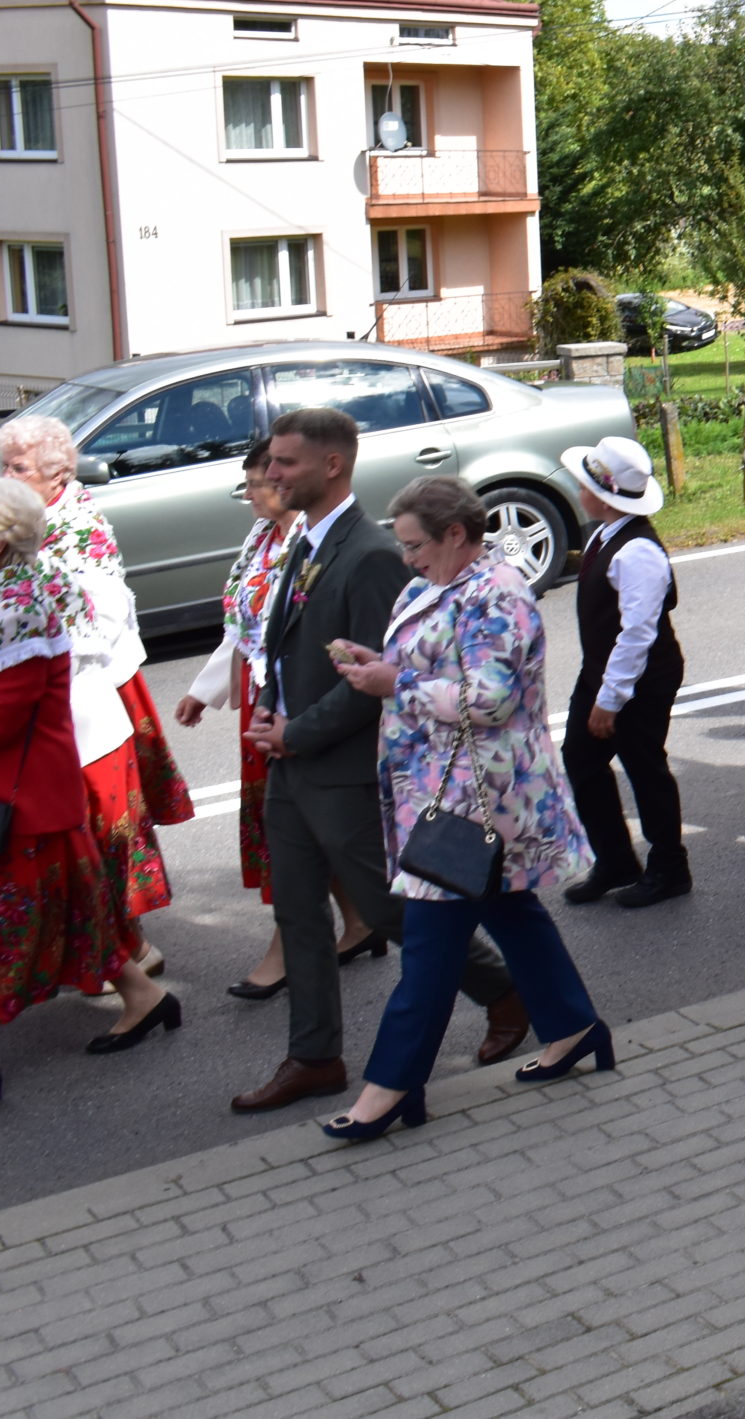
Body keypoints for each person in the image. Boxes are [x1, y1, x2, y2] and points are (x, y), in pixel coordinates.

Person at [231, 407, 526, 1115]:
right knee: (298, 913)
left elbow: (373, 680)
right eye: (271, 462)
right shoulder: (304, 542)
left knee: (389, 910)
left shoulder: (366, 553)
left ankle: (505, 989)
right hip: (291, 764)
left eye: (285, 462)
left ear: (332, 464)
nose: (272, 473)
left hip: (343, 770)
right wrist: (269, 709)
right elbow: (283, 646)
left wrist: (298, 732)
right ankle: (315, 1056)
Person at [318, 477, 610, 1141]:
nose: (407, 557)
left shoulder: (497, 592)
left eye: (415, 544)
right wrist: (379, 664)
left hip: (474, 800)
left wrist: (395, 684)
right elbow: (429, 664)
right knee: (511, 912)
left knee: (428, 946)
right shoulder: (436, 583)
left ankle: (392, 1086)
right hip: (448, 794)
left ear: (456, 534)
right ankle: (574, 1026)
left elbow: (490, 699)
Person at [171, 442, 377, 999]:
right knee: (291, 819)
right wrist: (204, 690)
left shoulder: (310, 545)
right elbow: (243, 625)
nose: (250, 496)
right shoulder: (262, 538)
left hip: (295, 697)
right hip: (260, 690)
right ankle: (360, 920)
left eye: (256, 484)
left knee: (293, 822)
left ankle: (291, 947)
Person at [0, 415, 193, 980]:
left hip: (86, 696)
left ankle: (127, 956)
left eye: (18, 467)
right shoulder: (23, 530)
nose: (6, 476)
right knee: (76, 839)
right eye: (3, 465)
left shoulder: (77, 528)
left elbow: (103, 620)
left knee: (99, 831)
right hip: (65, 701)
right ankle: (115, 960)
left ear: (57, 474)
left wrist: (48, 661)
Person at [0, 479, 176, 1078]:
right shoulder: (5, 592)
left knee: (15, 919)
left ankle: (142, 995)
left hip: (24, 796)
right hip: (29, 794)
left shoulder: (16, 605)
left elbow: (3, 715)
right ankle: (145, 996)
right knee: (74, 909)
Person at [559, 436, 690, 908]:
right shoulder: (605, 534)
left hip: (640, 678)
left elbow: (637, 634)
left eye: (585, 485)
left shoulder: (638, 553)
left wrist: (611, 699)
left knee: (644, 766)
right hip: (603, 669)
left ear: (604, 495)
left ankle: (670, 867)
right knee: (581, 757)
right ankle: (615, 859)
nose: (579, 490)